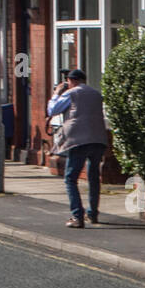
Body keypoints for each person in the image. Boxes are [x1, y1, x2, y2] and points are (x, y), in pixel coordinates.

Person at [46, 68, 108, 228]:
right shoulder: (95, 93)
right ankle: (93, 213)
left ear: (71, 81)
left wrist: (56, 94)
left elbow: (53, 110)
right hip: (98, 138)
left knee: (70, 178)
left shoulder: (71, 93)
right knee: (93, 177)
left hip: (78, 140)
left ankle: (77, 216)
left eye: (68, 81)